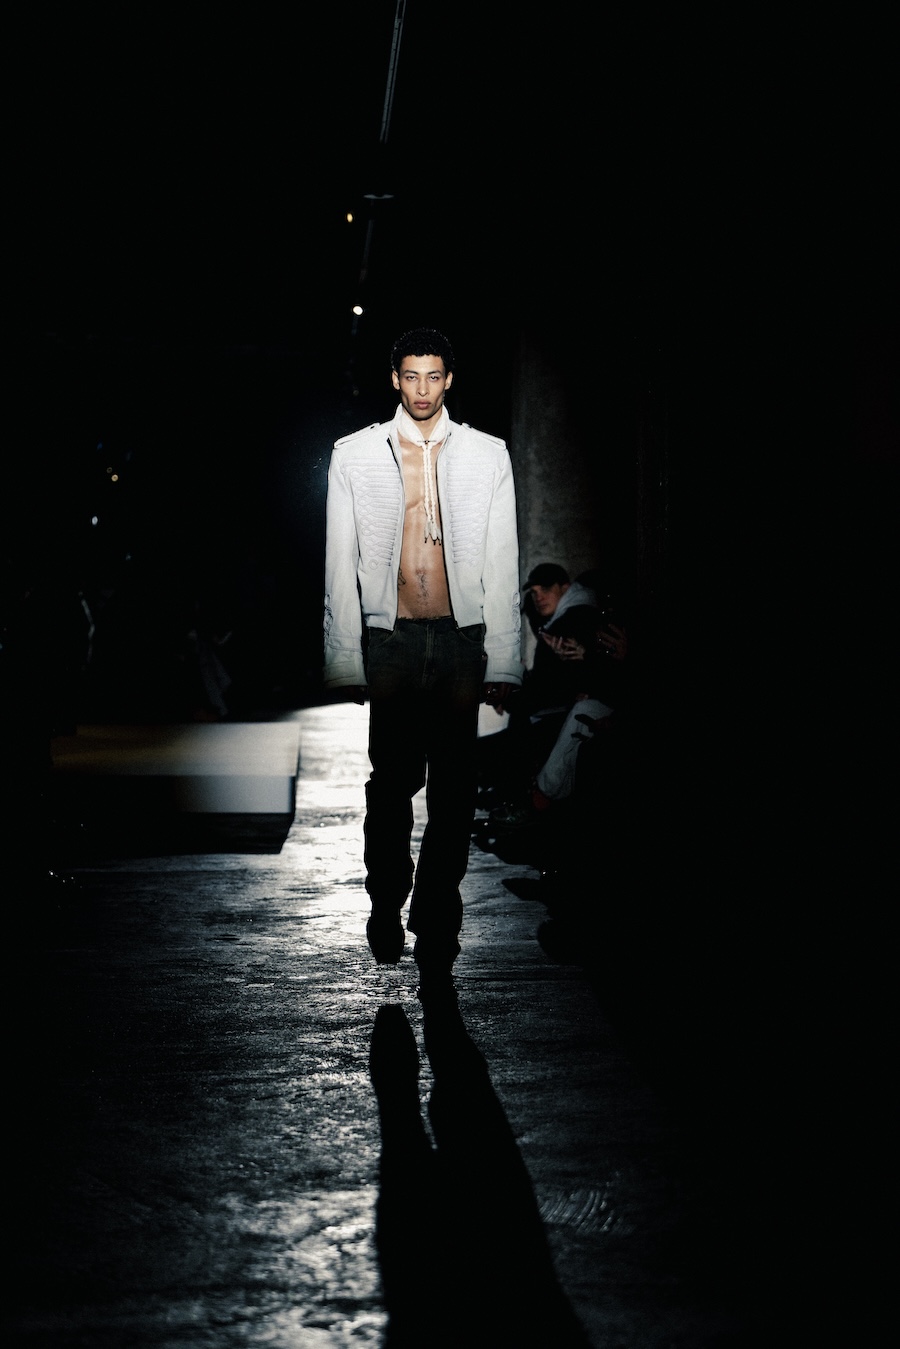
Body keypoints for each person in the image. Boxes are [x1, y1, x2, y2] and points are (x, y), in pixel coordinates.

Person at [322, 327, 522, 987]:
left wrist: (505, 661)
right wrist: (344, 657)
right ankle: (387, 895)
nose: (422, 389)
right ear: (395, 379)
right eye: (411, 376)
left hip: (462, 637)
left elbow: (502, 560)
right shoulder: (355, 454)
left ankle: (435, 912)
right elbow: (340, 563)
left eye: (433, 376)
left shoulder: (487, 455)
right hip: (394, 639)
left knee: (455, 786)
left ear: (449, 380)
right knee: (393, 780)